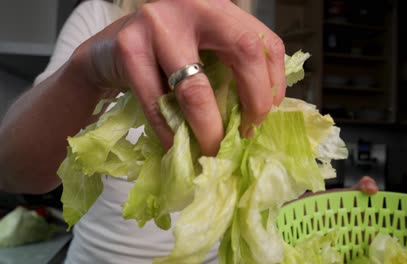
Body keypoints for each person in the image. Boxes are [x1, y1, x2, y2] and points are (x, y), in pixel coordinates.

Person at [0, 0, 378, 263]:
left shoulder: (249, 48)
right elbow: (12, 169)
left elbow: (246, 198)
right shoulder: (96, 18)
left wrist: (315, 210)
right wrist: (90, 69)